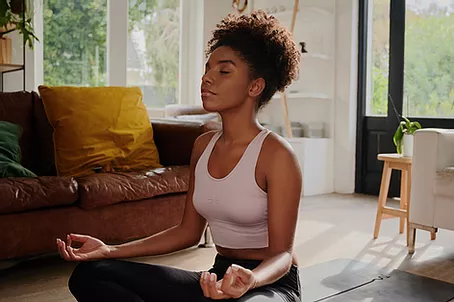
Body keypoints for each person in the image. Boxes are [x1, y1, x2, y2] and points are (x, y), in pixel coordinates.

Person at [57, 10, 304, 302]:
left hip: (269, 284)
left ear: (255, 86)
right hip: (218, 277)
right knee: (91, 273)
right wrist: (109, 249)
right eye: (207, 69)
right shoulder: (203, 146)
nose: (207, 78)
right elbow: (188, 232)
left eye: (223, 71)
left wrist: (251, 280)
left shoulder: (277, 156)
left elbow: (282, 255)